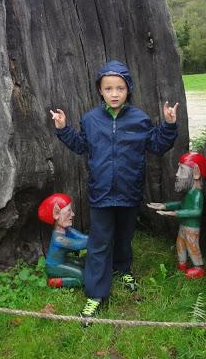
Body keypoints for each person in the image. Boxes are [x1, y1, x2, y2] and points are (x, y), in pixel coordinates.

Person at [50, 60, 179, 319]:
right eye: (108, 88)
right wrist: (64, 129)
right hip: (101, 194)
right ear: (100, 90)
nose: (114, 93)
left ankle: (122, 268)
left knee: (124, 236)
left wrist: (168, 126)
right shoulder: (90, 120)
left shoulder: (139, 119)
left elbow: (155, 145)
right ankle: (96, 293)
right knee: (99, 243)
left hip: (130, 191)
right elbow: (80, 146)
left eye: (120, 88)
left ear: (128, 89)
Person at [147, 152, 206, 279]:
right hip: (184, 226)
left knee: (192, 246)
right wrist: (164, 206)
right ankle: (182, 264)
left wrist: (175, 213)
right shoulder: (189, 194)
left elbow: (196, 211)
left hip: (192, 228)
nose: (177, 174)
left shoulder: (197, 195)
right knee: (180, 244)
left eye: (181, 170)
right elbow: (181, 204)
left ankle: (199, 268)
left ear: (196, 173)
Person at [38, 193, 88, 288]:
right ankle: (54, 282)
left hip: (63, 260)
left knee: (82, 262)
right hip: (53, 266)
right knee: (82, 276)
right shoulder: (58, 238)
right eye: (69, 211)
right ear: (56, 214)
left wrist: (93, 238)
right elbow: (77, 245)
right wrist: (97, 239)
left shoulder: (67, 230)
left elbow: (81, 237)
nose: (72, 214)